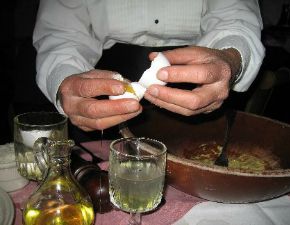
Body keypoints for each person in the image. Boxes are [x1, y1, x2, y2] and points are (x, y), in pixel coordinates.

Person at [33, 0, 265, 134]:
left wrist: (230, 60)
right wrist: (66, 80)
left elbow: (236, 18)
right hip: (102, 87)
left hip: (202, 83)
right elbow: (61, 31)